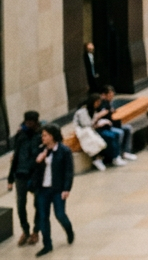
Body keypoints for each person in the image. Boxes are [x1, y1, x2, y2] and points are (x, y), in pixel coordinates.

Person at [31, 124, 74, 256]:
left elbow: (69, 171)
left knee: (60, 214)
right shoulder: (41, 150)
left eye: (45, 135)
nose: (42, 137)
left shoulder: (64, 151)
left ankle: (69, 230)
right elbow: (34, 171)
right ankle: (47, 245)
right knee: (43, 217)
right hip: (43, 189)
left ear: (52, 136)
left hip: (57, 189)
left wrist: (66, 188)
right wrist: (38, 162)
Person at [8, 111, 44, 247]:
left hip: (35, 175)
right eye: (27, 121)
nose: (29, 123)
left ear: (36, 121)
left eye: (31, 121)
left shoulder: (41, 135)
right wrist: (11, 178)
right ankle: (25, 230)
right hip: (20, 174)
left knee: (38, 204)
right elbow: (16, 156)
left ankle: (36, 231)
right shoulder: (20, 135)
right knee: (20, 204)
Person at [72, 95, 123, 170]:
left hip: (94, 128)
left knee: (115, 134)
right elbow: (86, 124)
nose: (99, 104)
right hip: (85, 131)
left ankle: (116, 156)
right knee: (104, 138)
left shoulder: (94, 109)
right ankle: (98, 159)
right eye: (97, 102)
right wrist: (98, 118)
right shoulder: (82, 111)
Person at [97, 86, 138, 162]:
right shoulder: (101, 104)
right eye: (110, 95)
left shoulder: (109, 103)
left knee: (128, 128)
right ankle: (117, 155)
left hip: (112, 124)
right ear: (103, 95)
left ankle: (126, 152)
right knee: (120, 132)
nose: (111, 97)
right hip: (104, 127)